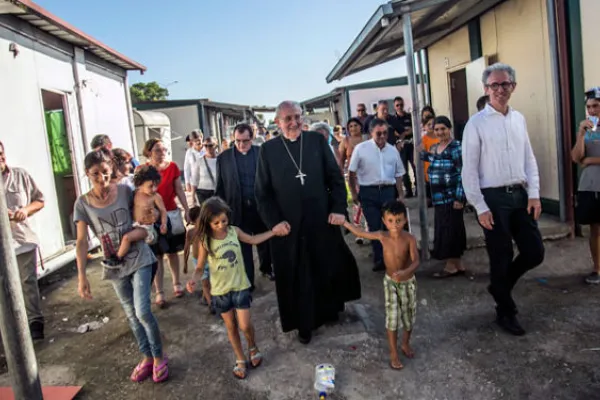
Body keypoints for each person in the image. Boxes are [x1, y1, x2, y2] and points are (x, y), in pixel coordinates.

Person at [255, 100, 361, 344]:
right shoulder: (268, 150)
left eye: (297, 117)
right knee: (299, 275)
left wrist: (338, 209)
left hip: (321, 220)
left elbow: (335, 179)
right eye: (287, 119)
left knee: (325, 266)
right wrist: (274, 223)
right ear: (277, 122)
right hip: (289, 227)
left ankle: (330, 311)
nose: (293, 122)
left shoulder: (316, 142)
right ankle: (304, 324)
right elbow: (262, 193)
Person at [462, 63, 544, 336]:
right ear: (486, 89)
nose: (500, 89)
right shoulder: (476, 124)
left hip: (520, 195)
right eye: (494, 85)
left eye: (505, 84)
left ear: (513, 87)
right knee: (501, 256)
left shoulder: (518, 119)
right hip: (493, 198)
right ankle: (505, 312)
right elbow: (469, 170)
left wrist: (533, 193)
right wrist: (480, 206)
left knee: (534, 252)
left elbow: (529, 158)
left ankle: (499, 287)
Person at [74, 150, 167, 383]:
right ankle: (146, 357)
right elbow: (82, 241)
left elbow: (147, 207)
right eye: (96, 174)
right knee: (131, 315)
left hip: (139, 257)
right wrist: (82, 276)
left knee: (143, 311)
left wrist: (154, 215)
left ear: (111, 171)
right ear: (87, 174)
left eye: (105, 173)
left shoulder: (125, 190)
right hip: (114, 265)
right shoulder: (82, 204)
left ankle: (158, 357)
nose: (102, 179)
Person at [186, 197, 281, 379]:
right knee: (231, 327)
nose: (221, 225)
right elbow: (199, 267)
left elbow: (253, 240)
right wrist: (193, 280)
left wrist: (273, 232)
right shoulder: (205, 241)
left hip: (240, 286)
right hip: (221, 291)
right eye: (216, 223)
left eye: (224, 220)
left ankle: (252, 346)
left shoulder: (234, 232)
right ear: (207, 223)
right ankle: (239, 358)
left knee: (245, 325)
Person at [343, 200, 418, 370]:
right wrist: (344, 222)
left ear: (405, 220)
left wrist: (407, 272)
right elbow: (360, 233)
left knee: (408, 318)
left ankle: (405, 344)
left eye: (398, 220)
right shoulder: (382, 236)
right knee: (392, 320)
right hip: (391, 283)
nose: (394, 225)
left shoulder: (410, 239)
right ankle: (393, 352)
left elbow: (416, 261)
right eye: (390, 221)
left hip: (408, 283)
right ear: (384, 221)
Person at [216, 123, 273, 287]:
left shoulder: (261, 153)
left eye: (245, 141)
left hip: (260, 207)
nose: (241, 145)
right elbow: (220, 186)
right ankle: (248, 279)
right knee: (243, 246)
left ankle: (267, 268)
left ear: (252, 138)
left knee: (264, 241)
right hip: (237, 209)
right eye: (237, 141)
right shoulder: (224, 158)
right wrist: (219, 210)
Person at [1, 141, 45, 339]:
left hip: (22, 240)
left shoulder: (20, 175)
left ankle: (35, 322)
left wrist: (25, 210)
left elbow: (40, 200)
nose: (1, 158)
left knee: (27, 282)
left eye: (2, 153)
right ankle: (10, 330)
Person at [348, 118, 405, 272]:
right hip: (368, 192)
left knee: (390, 227)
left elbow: (399, 174)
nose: (382, 136)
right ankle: (379, 259)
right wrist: (353, 192)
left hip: (388, 191)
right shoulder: (361, 149)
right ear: (371, 133)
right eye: (378, 133)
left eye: (385, 133)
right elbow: (351, 172)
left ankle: (391, 258)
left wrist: (400, 194)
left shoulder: (392, 150)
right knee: (374, 227)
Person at [143, 139, 191, 307]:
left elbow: (179, 189)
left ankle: (177, 283)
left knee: (172, 252)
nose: (162, 152)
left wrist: (186, 209)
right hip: (152, 218)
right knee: (156, 255)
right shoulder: (142, 170)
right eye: (157, 149)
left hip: (170, 214)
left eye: (164, 149)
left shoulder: (172, 167)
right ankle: (160, 292)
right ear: (149, 152)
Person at [420, 116, 467, 277]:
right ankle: (458, 264)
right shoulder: (435, 147)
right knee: (448, 229)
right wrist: (418, 149)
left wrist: (460, 198)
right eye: (437, 129)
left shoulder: (456, 147)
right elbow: (428, 158)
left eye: (443, 129)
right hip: (439, 198)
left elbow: (463, 173)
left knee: (450, 231)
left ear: (449, 129)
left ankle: (450, 266)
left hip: (452, 198)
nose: (440, 132)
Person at [104, 165, 169, 267]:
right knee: (125, 239)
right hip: (134, 225)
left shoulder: (155, 197)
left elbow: (163, 210)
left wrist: (164, 224)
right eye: (150, 186)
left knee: (126, 238)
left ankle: (117, 258)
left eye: (156, 185)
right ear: (140, 184)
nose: (154, 189)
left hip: (146, 228)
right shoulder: (134, 194)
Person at [571, 87, 600, 284]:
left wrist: (591, 161)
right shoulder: (587, 130)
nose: (592, 110)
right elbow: (575, 157)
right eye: (589, 107)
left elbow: (585, 160)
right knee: (595, 229)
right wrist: (581, 134)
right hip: (590, 186)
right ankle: (597, 269)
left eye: (596, 106)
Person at [339, 118, 369, 244]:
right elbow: (340, 161)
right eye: (350, 126)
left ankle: (369, 230)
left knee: (368, 202)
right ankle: (359, 233)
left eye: (355, 125)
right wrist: (339, 175)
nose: (353, 128)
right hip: (353, 177)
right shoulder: (345, 141)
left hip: (368, 175)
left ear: (360, 126)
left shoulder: (367, 139)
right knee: (358, 204)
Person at [183, 206, 214, 312]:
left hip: (210, 259)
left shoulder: (208, 230)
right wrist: (185, 264)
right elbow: (186, 249)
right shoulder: (191, 232)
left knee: (212, 281)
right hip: (198, 261)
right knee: (205, 283)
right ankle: (211, 305)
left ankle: (206, 298)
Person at [392, 96, 416, 198]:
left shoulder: (409, 116)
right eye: (397, 105)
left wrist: (402, 133)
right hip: (400, 147)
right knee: (404, 170)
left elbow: (413, 129)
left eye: (401, 105)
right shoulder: (393, 119)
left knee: (415, 167)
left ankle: (418, 189)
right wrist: (405, 132)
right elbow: (394, 132)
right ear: (394, 106)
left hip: (411, 145)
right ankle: (409, 191)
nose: (400, 107)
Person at [191, 136, 218, 205]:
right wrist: (193, 195)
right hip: (203, 192)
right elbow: (195, 178)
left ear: (216, 145)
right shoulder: (199, 160)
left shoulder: (221, 160)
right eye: (205, 145)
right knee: (206, 214)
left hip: (217, 191)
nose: (208, 147)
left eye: (210, 145)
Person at [421, 115, 440, 206]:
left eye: (433, 124)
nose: (431, 126)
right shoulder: (423, 139)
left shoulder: (440, 136)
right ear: (424, 127)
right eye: (429, 124)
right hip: (429, 172)